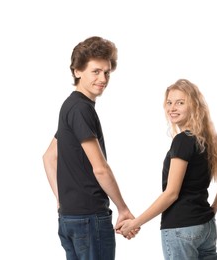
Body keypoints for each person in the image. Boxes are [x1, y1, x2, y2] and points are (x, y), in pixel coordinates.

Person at [116, 79, 217, 259]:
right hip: (206, 226)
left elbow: (171, 193)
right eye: (169, 102)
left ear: (194, 106)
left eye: (180, 102)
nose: (172, 108)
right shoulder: (205, 141)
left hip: (181, 229)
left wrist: (135, 223)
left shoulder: (183, 141)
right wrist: (213, 209)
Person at [42, 36, 138, 260]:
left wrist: (62, 200)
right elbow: (100, 169)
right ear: (77, 71)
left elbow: (48, 157)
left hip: (69, 219)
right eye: (95, 71)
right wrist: (123, 209)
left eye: (107, 72)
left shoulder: (69, 106)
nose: (103, 78)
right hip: (89, 219)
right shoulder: (82, 109)